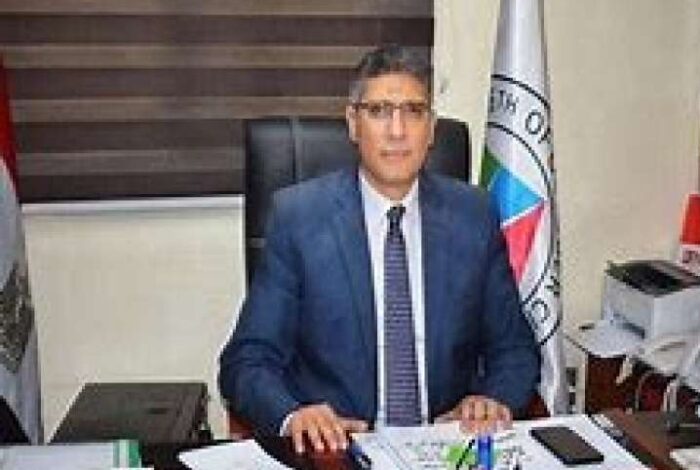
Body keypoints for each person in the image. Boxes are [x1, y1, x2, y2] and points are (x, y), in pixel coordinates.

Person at [219, 44, 540, 454]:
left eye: (414, 111)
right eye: (378, 111)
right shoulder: (299, 219)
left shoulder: (473, 215)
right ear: (353, 123)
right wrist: (293, 415)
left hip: (444, 447)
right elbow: (247, 361)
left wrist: (492, 399)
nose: (397, 130)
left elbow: (515, 350)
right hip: (340, 450)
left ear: (431, 129)